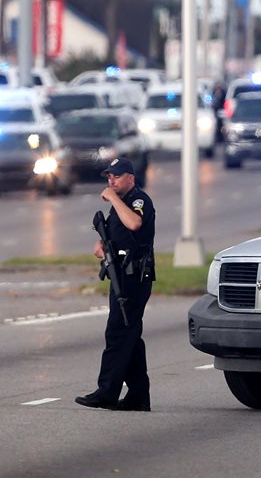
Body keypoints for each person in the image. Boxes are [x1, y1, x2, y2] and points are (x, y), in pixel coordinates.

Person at [75, 157, 156, 411]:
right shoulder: (119, 205)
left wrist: (112, 198)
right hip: (120, 274)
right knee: (130, 334)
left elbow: (134, 223)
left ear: (130, 177)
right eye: (109, 177)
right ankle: (138, 395)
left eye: (117, 176)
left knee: (118, 332)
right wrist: (102, 246)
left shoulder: (138, 200)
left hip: (135, 276)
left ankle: (107, 391)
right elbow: (116, 235)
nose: (112, 181)